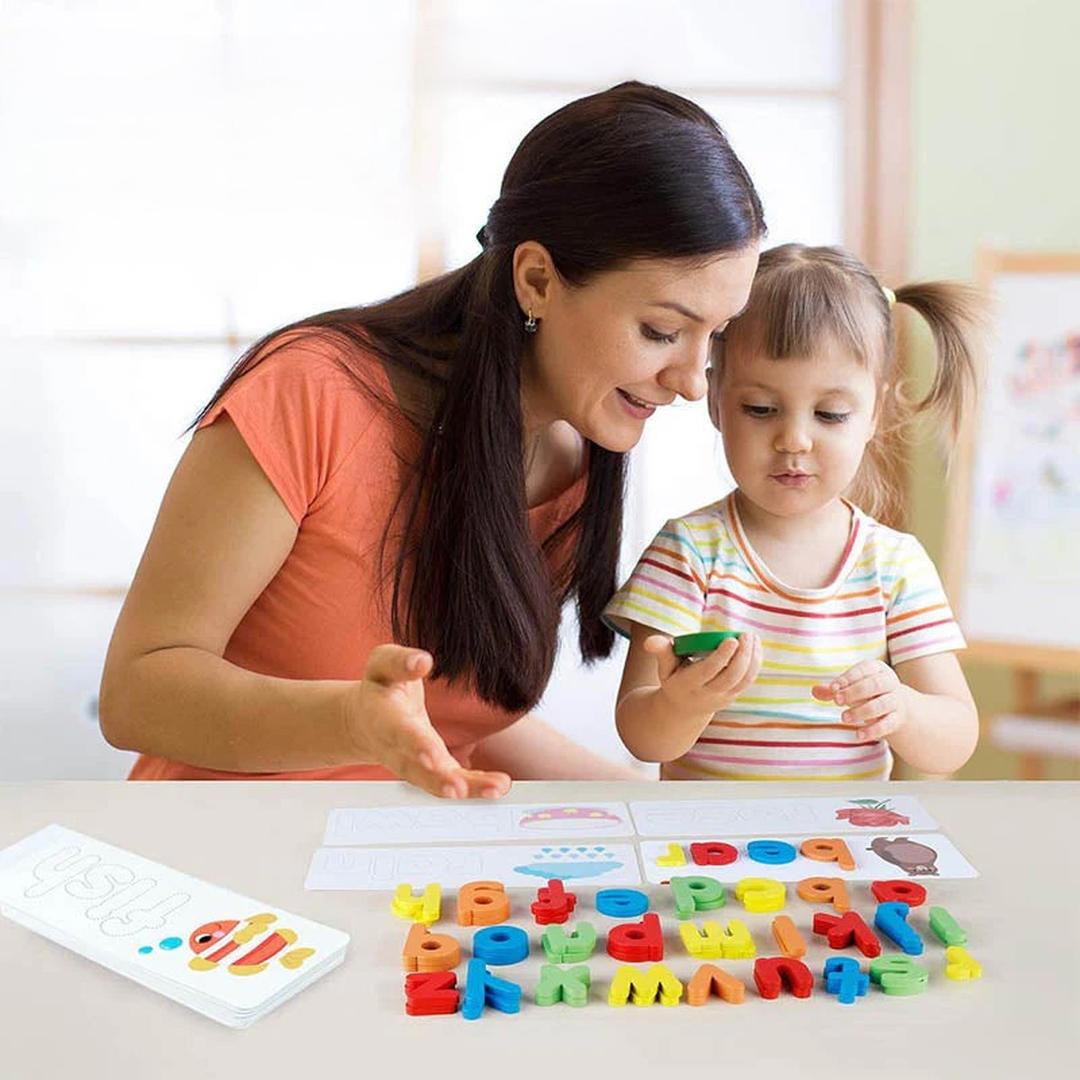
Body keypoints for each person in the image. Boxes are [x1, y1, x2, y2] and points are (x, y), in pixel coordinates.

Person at [98, 82, 765, 796]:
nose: (694, 383)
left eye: (714, 337)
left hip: (401, 858)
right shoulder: (310, 393)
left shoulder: (570, 458)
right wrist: (350, 721)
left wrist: (658, 812)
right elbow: (138, 693)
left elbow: (456, 719)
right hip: (216, 857)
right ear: (537, 279)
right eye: (662, 331)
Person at [606, 243, 983, 781]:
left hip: (842, 852)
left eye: (830, 414)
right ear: (715, 401)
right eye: (760, 409)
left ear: (874, 412)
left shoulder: (895, 565)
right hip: (710, 853)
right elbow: (639, 735)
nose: (794, 440)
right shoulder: (688, 552)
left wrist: (902, 707)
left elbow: (955, 739)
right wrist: (682, 704)